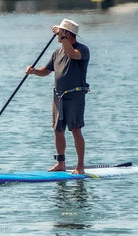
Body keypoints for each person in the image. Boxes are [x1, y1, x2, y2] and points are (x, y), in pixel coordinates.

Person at [26, 19, 90, 174]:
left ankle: (80, 166)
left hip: (75, 95)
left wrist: (62, 38)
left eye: (61, 32)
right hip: (58, 97)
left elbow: (73, 55)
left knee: (75, 130)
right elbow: (46, 71)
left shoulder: (82, 49)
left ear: (67, 34)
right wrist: (34, 71)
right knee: (57, 130)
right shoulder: (57, 53)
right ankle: (61, 163)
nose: (57, 36)